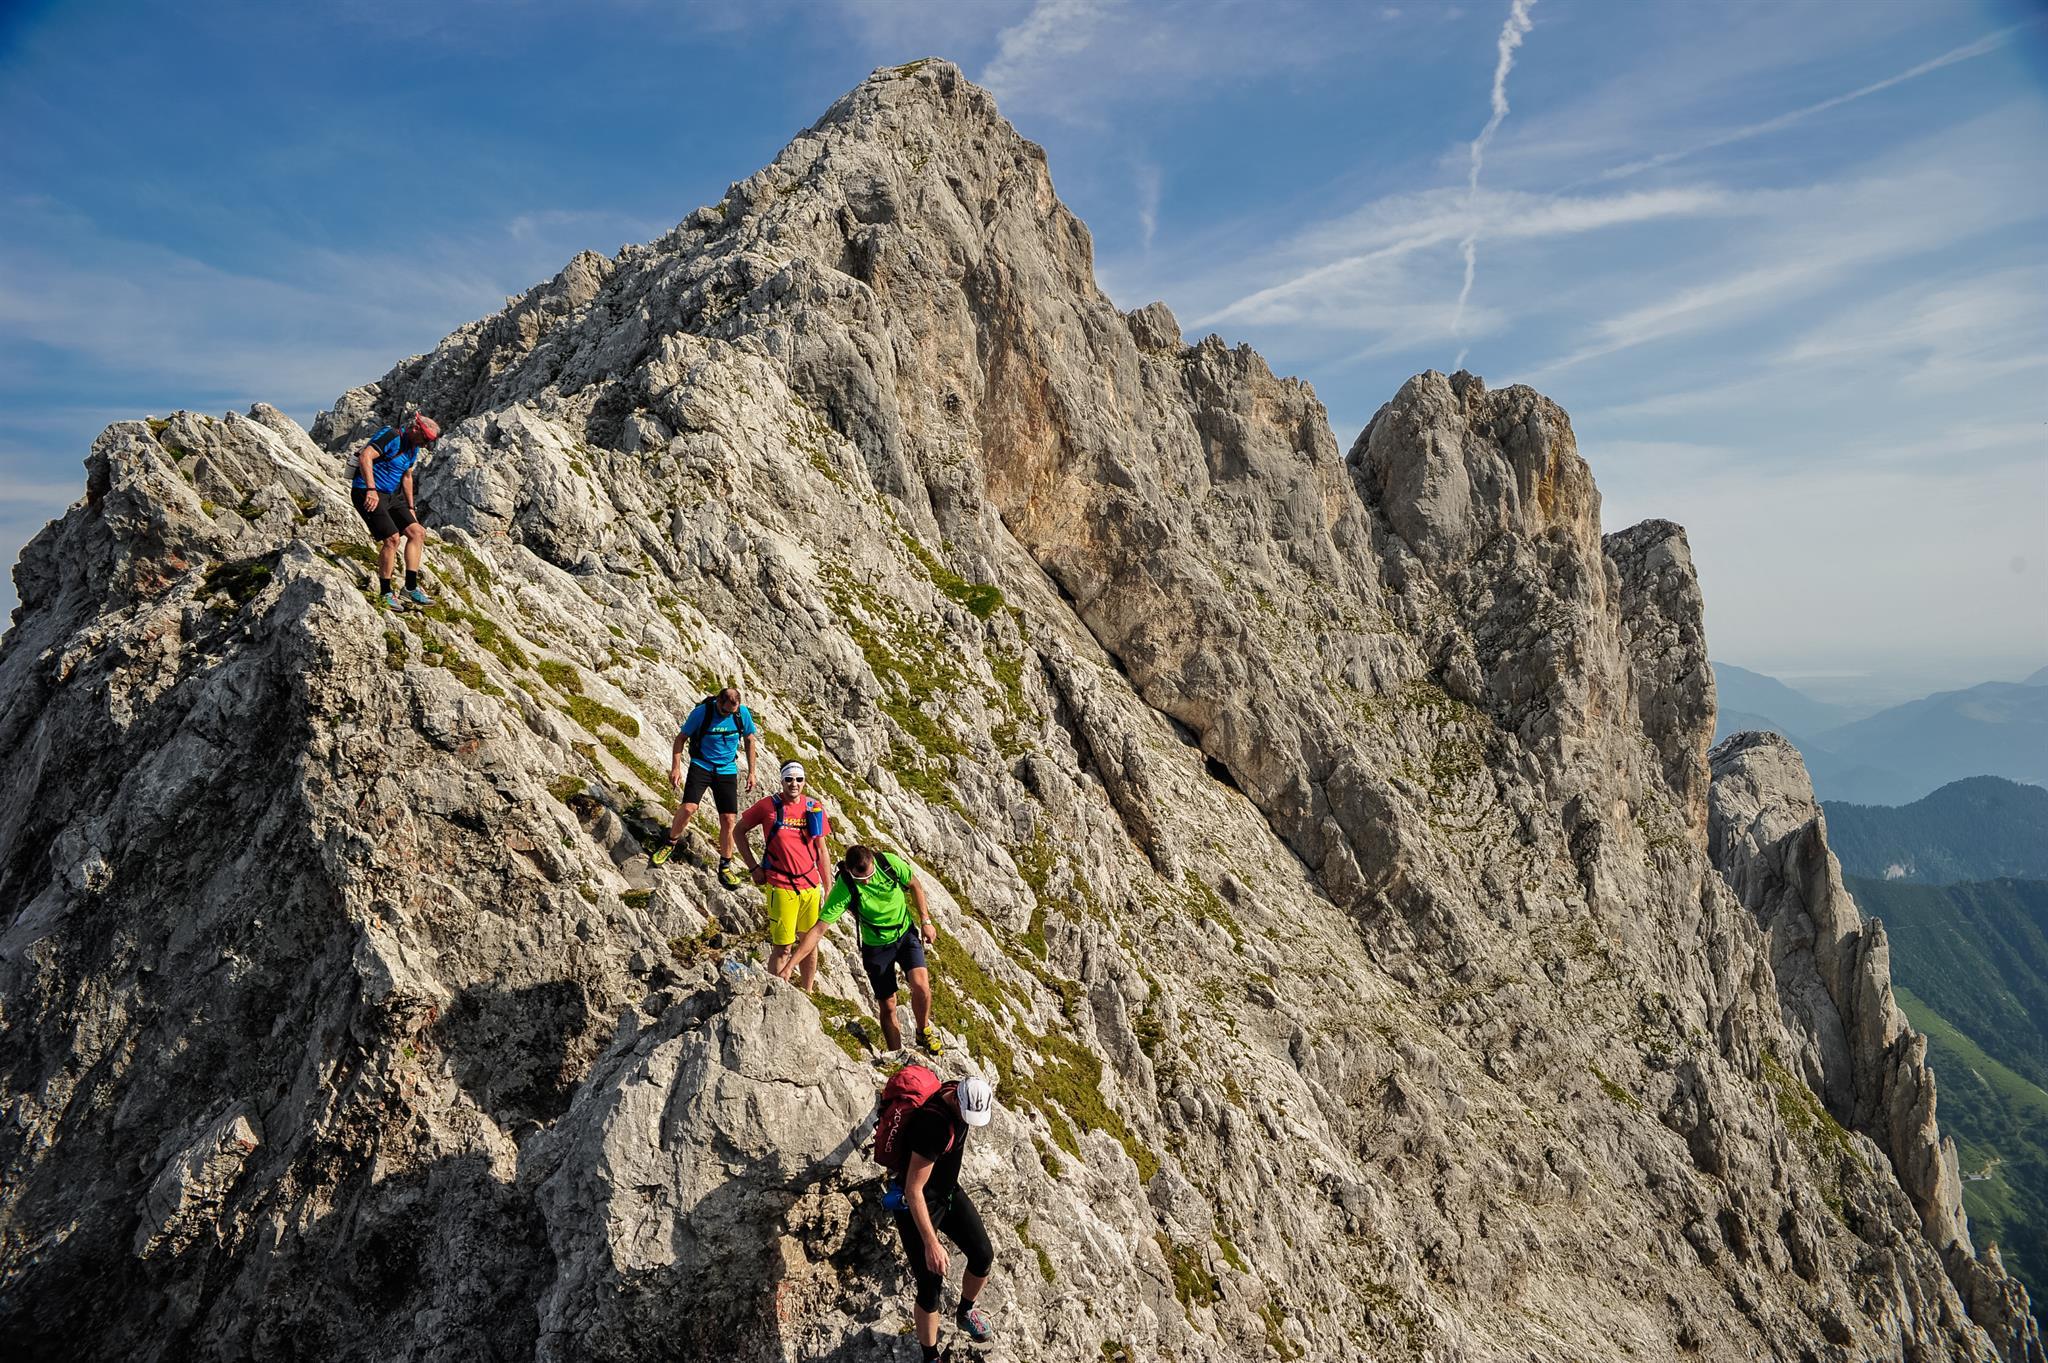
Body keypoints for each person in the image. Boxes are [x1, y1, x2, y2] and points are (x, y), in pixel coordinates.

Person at [780, 844, 939, 1053]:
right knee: (888, 1004)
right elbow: (818, 930)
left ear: (873, 861)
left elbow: (915, 885)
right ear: (848, 870)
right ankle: (897, 1056)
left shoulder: (888, 863)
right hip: (876, 946)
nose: (866, 882)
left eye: (869, 876)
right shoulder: (845, 887)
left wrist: (926, 921)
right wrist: (790, 965)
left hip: (904, 933)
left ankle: (923, 1030)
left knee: (921, 986)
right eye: (859, 878)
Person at [898, 1076, 997, 1359]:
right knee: (930, 1287)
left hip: (947, 1192)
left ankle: (965, 1313)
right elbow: (913, 1190)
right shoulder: (934, 1127)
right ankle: (930, 1356)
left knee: (983, 1255)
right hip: (918, 1204)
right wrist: (931, 1243)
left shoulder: (957, 1089)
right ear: (956, 1100)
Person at [736, 760, 832, 987]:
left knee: (809, 945)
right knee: (783, 948)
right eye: (789, 779)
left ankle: (808, 991)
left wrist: (828, 888)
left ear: (804, 781)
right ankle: (776, 992)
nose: (794, 784)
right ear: (781, 781)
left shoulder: (813, 807)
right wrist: (753, 868)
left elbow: (821, 850)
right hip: (781, 887)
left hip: (810, 887)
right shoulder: (768, 806)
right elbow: (738, 831)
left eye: (799, 779)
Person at [652, 687, 758, 886]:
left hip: (727, 769)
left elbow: (750, 739)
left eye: (732, 711)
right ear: (718, 701)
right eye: (725, 711)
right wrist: (676, 768)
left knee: (729, 819)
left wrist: (752, 772)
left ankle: (725, 866)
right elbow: (680, 739)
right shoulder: (702, 713)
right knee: (689, 808)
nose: (728, 714)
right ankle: (670, 842)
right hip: (701, 765)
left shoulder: (741, 714)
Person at [350, 413, 441, 608]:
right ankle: (385, 593)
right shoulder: (391, 436)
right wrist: (371, 490)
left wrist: (410, 507)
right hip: (366, 491)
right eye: (426, 438)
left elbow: (407, 476)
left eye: (430, 441)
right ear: (416, 428)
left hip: (391, 495)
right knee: (392, 539)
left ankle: (410, 589)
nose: (427, 444)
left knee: (417, 532)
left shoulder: (413, 448)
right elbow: (366, 456)